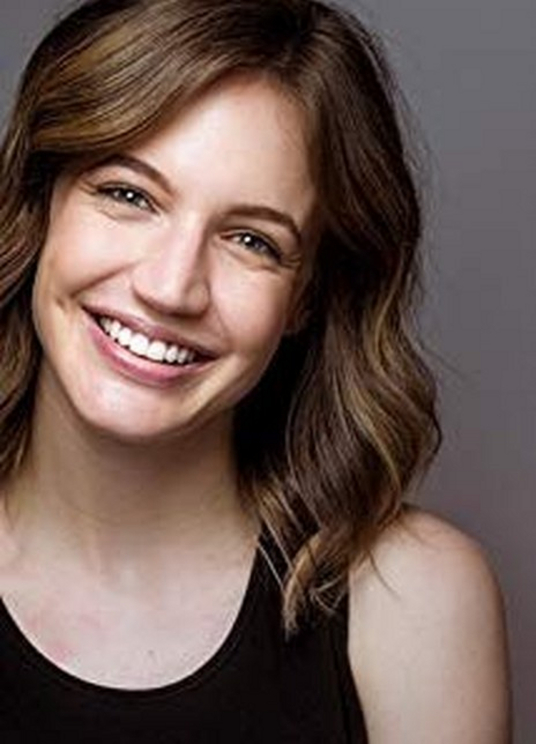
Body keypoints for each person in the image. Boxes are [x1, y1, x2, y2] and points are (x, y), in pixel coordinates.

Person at [0, 0, 511, 741]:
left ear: (306, 297)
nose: (171, 288)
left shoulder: (415, 603)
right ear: (40, 202)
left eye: (251, 240)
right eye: (129, 195)